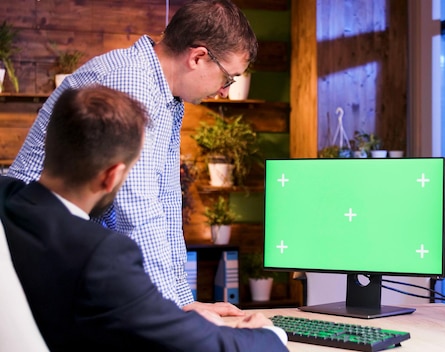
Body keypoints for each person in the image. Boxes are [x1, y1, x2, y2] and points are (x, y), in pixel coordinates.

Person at [8, 0, 255, 318]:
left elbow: (163, 203)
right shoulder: (131, 81)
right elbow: (136, 210)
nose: (225, 91)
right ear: (198, 57)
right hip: (33, 254)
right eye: (228, 78)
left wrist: (182, 301)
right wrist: (176, 311)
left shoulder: (165, 94)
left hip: (63, 255)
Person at [0, 85, 287, 351]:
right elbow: (195, 346)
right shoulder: (101, 254)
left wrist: (174, 315)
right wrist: (269, 336)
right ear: (112, 176)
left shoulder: (6, 201)